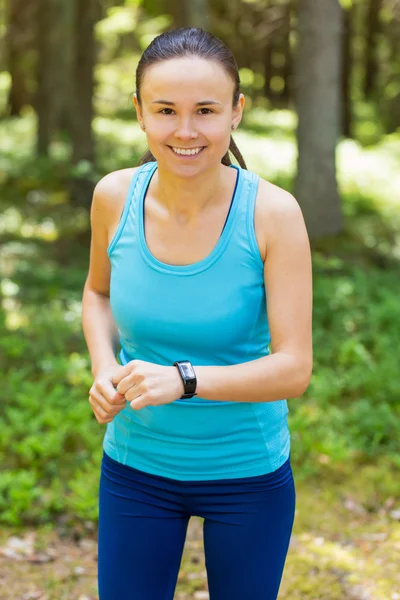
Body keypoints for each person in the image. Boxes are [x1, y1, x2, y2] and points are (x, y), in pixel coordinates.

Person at [82, 27, 312, 600]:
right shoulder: (113, 197)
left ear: (237, 112)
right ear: (139, 113)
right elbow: (98, 294)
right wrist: (103, 365)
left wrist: (183, 380)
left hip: (247, 475)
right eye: (165, 110)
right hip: (136, 469)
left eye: (205, 110)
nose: (185, 131)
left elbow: (293, 368)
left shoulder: (273, 214)